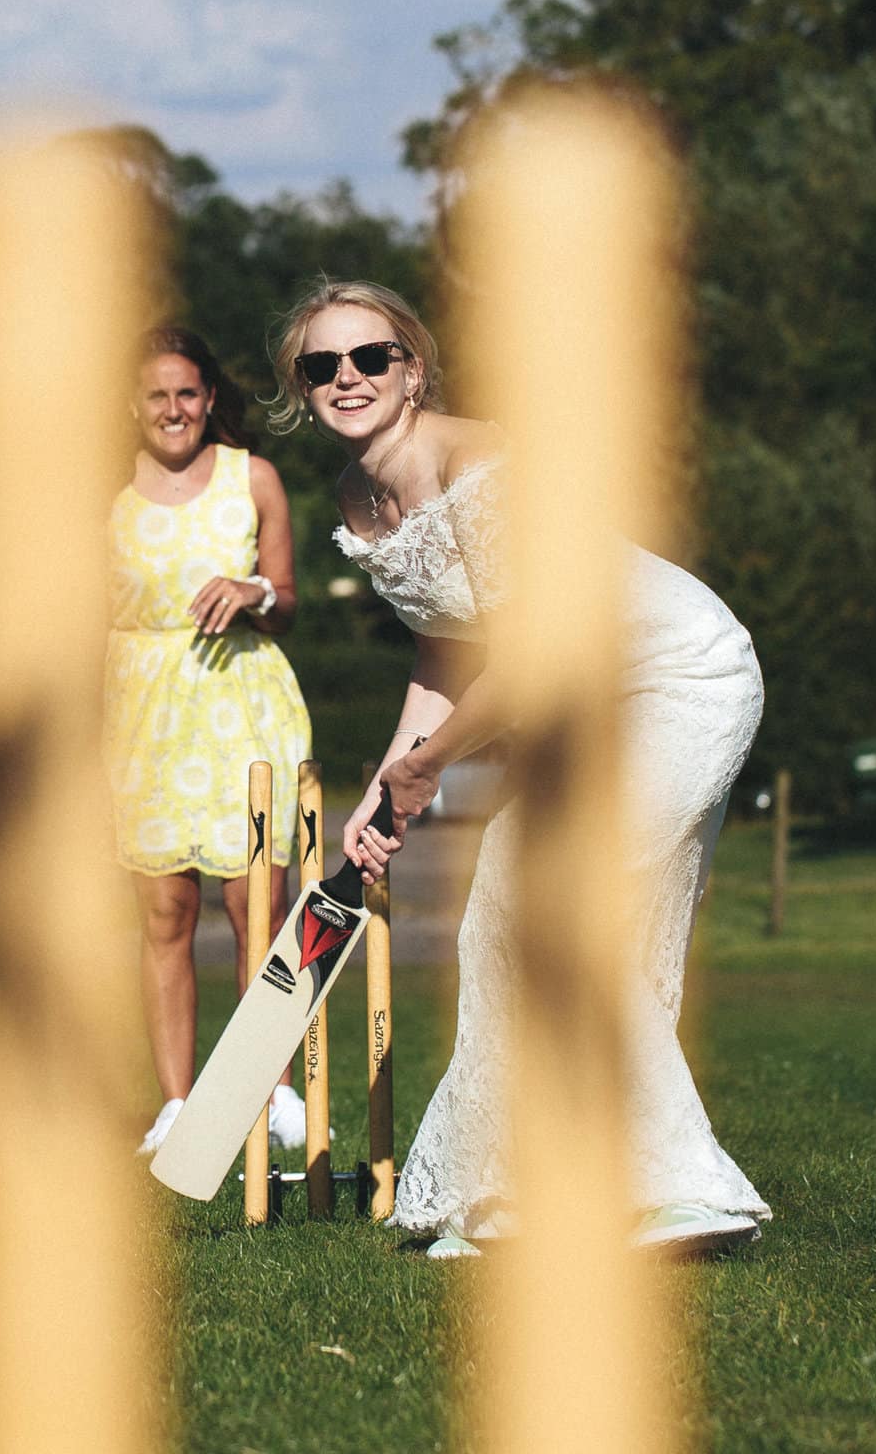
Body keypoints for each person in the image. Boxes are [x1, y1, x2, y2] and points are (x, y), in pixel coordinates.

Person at [267, 280, 768, 1259]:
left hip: (673, 678)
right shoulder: (358, 498)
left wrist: (432, 767)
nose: (348, 378)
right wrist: (386, 786)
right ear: (301, 387)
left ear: (413, 367)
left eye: (370, 357)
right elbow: (450, 650)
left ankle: (683, 1194)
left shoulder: (474, 456)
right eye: (321, 366)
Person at [107, 326, 313, 1157]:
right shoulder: (103, 497)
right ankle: (178, 1105)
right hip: (143, 715)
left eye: (187, 393)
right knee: (166, 911)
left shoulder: (251, 479)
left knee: (256, 907)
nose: (173, 409)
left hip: (244, 704)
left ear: (210, 398)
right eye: (157, 395)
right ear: (133, 405)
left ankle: (274, 1092)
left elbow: (290, 599)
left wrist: (254, 587)